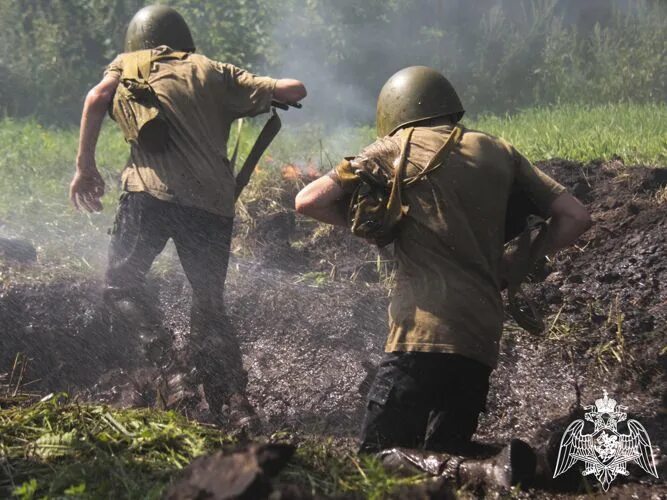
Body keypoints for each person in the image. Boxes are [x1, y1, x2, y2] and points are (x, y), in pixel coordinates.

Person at [295, 66, 591, 485]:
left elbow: (308, 201)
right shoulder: (497, 148)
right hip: (481, 339)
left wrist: (378, 224)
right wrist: (511, 265)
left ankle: (489, 470)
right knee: (436, 456)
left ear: (395, 111)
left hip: (421, 336)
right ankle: (534, 466)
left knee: (373, 461)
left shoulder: (394, 147)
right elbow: (575, 216)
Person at [69, 5, 306, 426]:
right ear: (186, 41)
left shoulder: (129, 63)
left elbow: (95, 98)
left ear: (136, 41)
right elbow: (294, 89)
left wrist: (85, 167)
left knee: (121, 285)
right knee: (209, 305)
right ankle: (237, 406)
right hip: (211, 206)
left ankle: (172, 371)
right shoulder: (214, 70)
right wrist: (270, 95)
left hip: (149, 195)